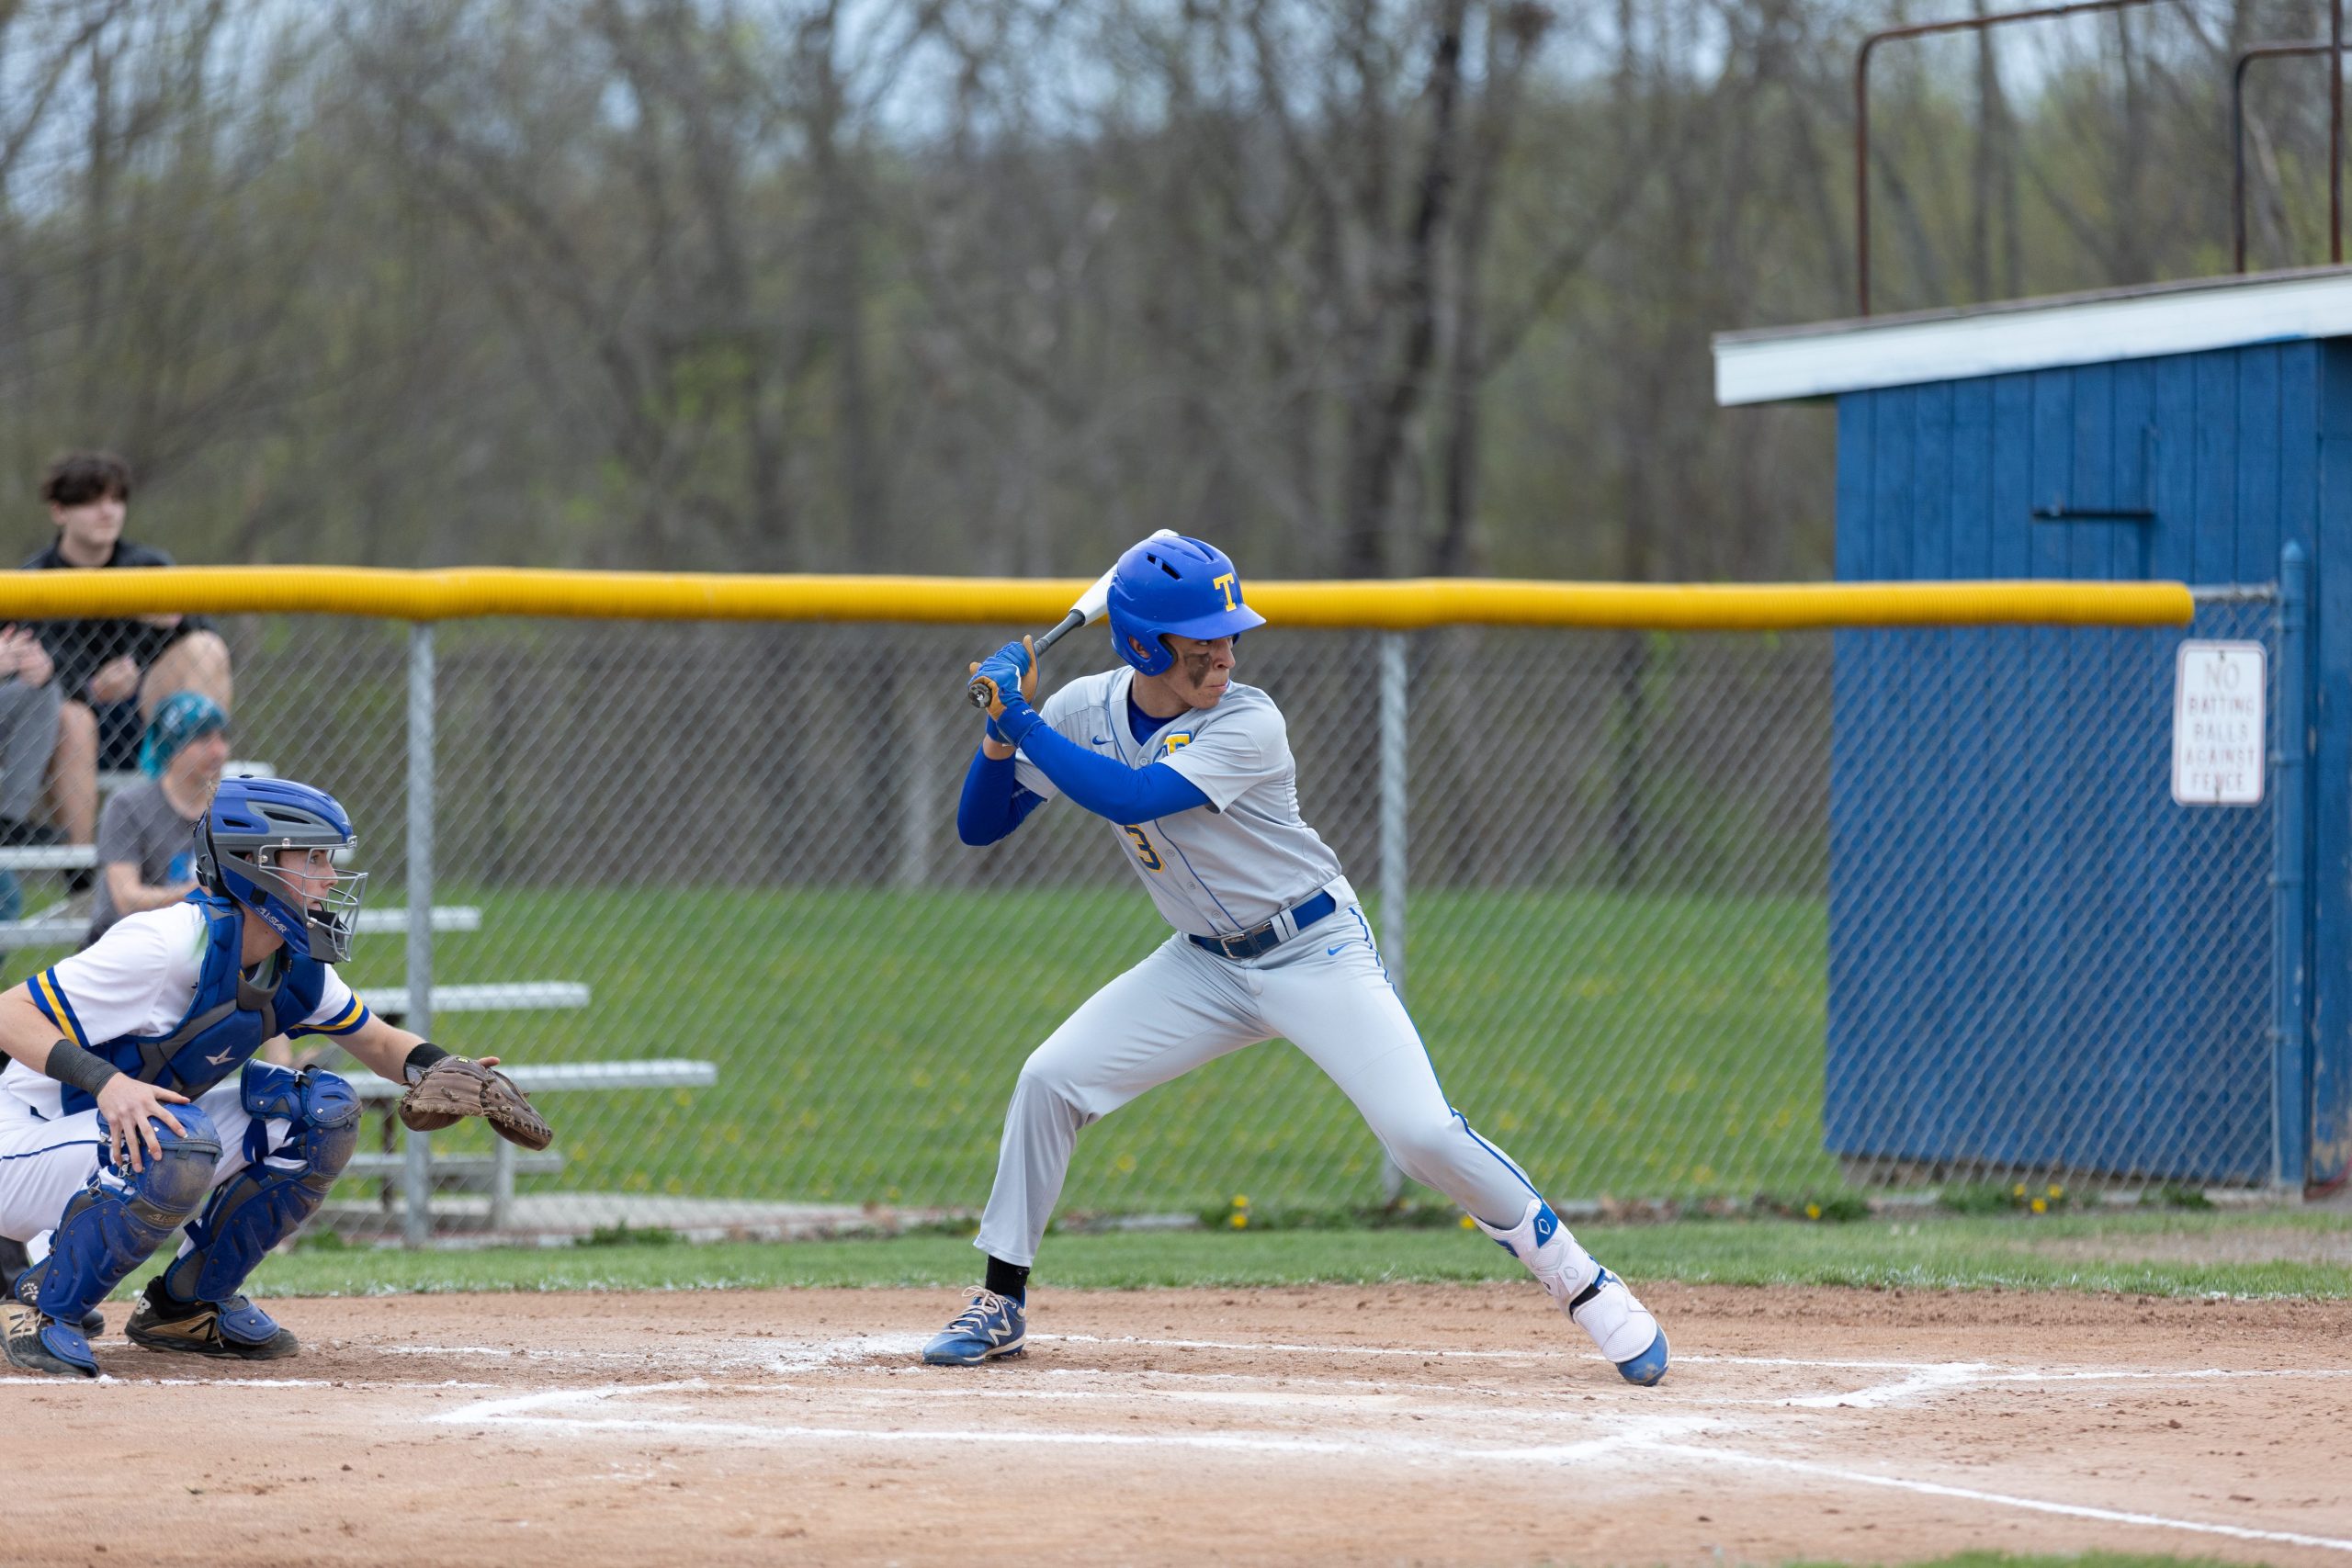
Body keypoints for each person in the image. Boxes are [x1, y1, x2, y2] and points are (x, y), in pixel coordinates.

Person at [929, 536, 1669, 1385]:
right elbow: (979, 827)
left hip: (1314, 948)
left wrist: (1019, 714)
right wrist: (999, 736)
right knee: (1049, 1077)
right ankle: (1001, 1301)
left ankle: (1583, 1281)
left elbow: (1129, 795)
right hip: (1202, 965)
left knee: (1420, 1130)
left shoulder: (1249, 718)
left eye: (1229, 632)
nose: (1224, 652)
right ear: (1140, 644)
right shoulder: (1081, 710)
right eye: (1200, 638)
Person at [0, 776, 528, 1377]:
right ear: (256, 864)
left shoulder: (289, 961)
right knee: (176, 1138)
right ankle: (37, 1309)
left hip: (107, 1147)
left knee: (321, 1110)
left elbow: (378, 1040)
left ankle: (187, 1304)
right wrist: (105, 1082)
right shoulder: (166, 944)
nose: (330, 877)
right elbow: (7, 1011)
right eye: (315, 858)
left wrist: (442, 1067)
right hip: (21, 1141)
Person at [24, 452, 233, 850]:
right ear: (59, 511)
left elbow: (205, 636)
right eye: (90, 501)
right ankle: (82, 873)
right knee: (72, 717)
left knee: (204, 649)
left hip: (149, 720)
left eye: (116, 500)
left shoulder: (147, 565)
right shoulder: (33, 581)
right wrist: (90, 688)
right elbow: (32, 674)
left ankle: (196, 841)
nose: (107, 512)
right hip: (74, 730)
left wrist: (169, 622)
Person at [85, 691, 229, 944]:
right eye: (204, 739)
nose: (219, 751)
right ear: (173, 749)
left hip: (197, 941)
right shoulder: (128, 806)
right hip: (125, 941)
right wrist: (195, 894)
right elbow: (125, 898)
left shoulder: (230, 809)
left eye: (222, 738)